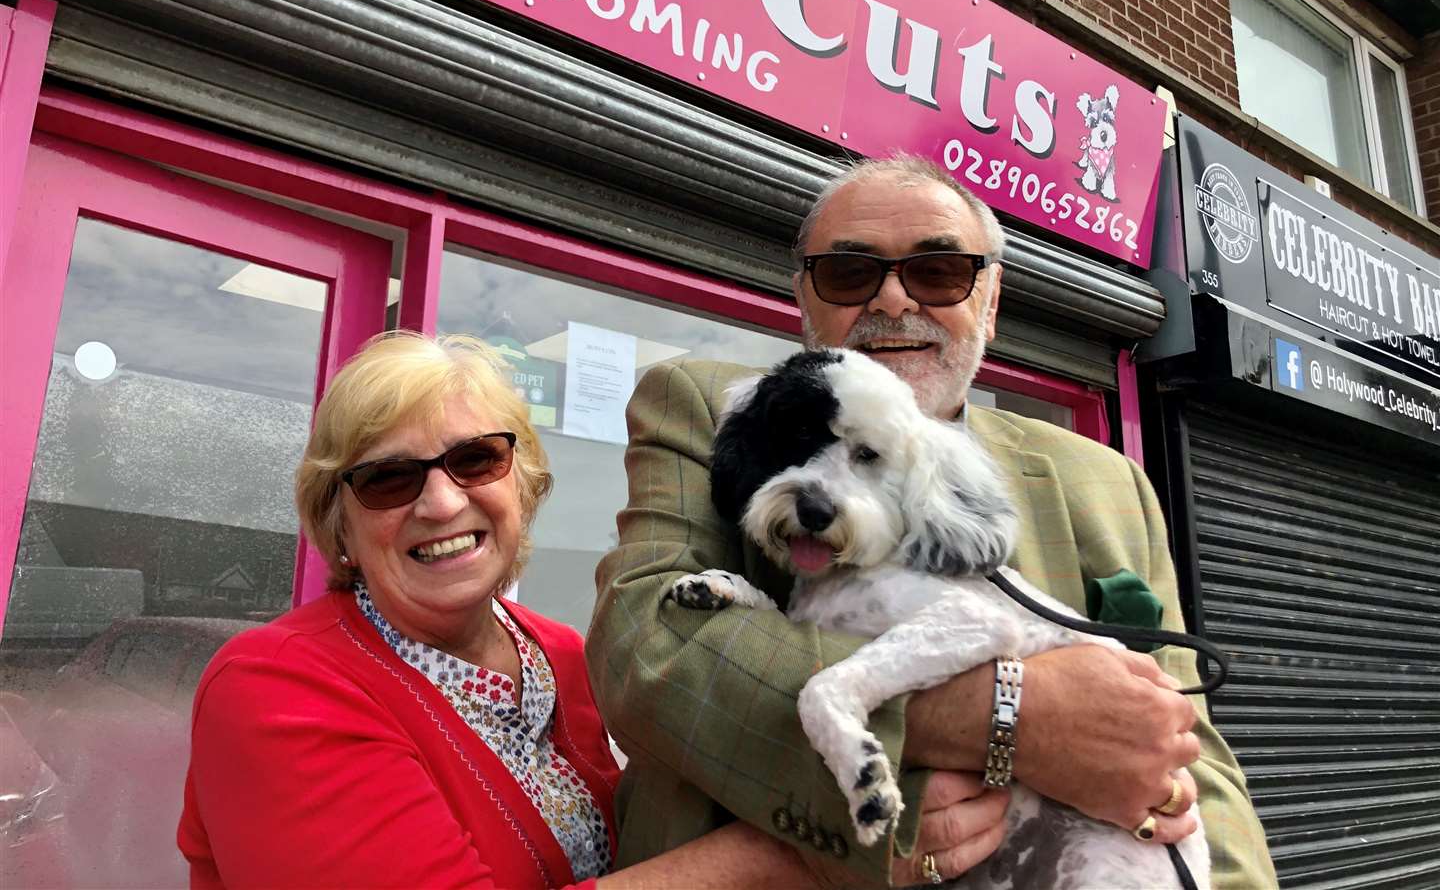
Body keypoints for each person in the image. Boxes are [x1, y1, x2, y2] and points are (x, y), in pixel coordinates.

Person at [587, 155, 1278, 888]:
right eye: (850, 274)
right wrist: (1006, 719)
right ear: (803, 297)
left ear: (990, 298)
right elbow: (649, 645)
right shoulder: (713, 405)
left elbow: (1190, 747)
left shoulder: (1107, 482)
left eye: (940, 271)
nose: (892, 299)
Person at [178, 330, 969, 889]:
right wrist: (813, 857)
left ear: (522, 484)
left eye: (475, 458)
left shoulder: (564, 655)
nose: (442, 500)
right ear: (338, 524)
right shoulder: (276, 687)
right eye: (389, 479)